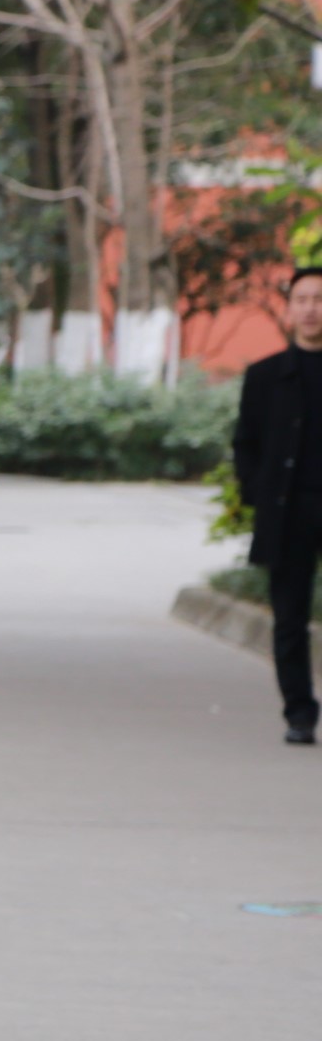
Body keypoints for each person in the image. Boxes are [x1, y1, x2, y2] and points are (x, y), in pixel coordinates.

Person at [233, 263, 322, 745]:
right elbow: (245, 444)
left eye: (319, 299)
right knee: (289, 619)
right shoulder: (265, 376)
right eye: (302, 299)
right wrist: (257, 495)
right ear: (289, 308)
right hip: (288, 514)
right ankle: (299, 714)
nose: (311, 309)